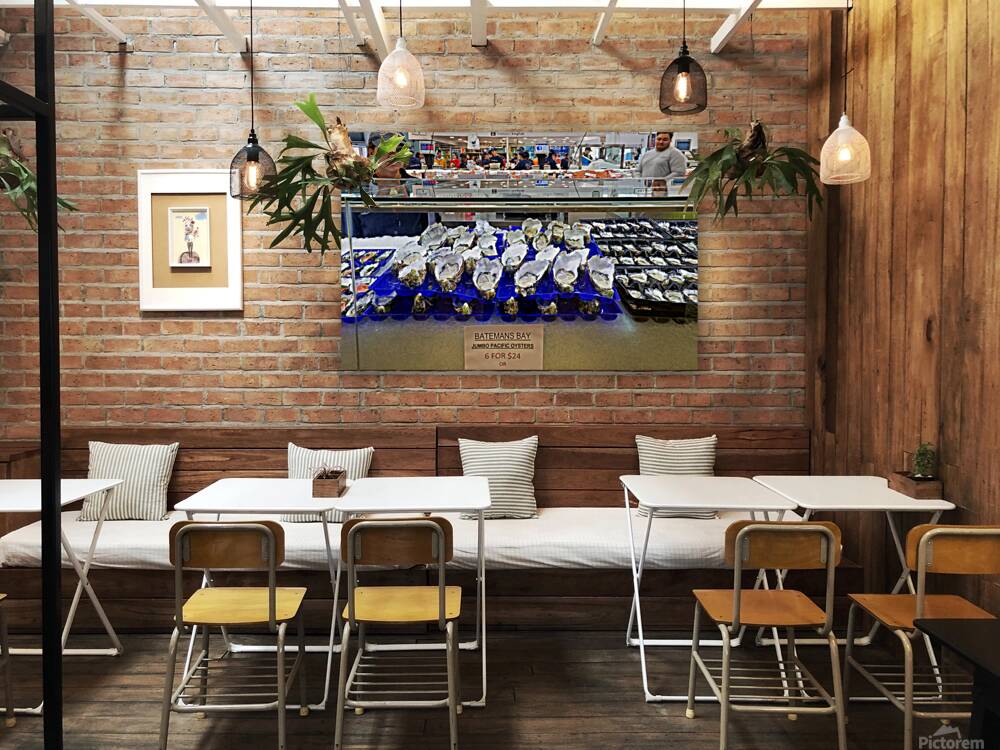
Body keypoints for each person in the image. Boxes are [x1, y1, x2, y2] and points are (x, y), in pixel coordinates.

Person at [349, 135, 429, 238]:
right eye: (387, 148)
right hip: (373, 252)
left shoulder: (416, 185)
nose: (394, 154)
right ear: (371, 151)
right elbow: (352, 237)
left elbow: (429, 227)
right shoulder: (358, 188)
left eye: (399, 148)